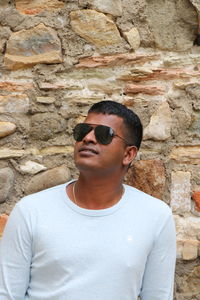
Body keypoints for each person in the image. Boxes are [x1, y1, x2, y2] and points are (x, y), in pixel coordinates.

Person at [0, 100, 176, 300]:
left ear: (128, 154)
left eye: (104, 134)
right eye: (82, 130)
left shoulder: (155, 216)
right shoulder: (31, 210)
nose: (88, 138)